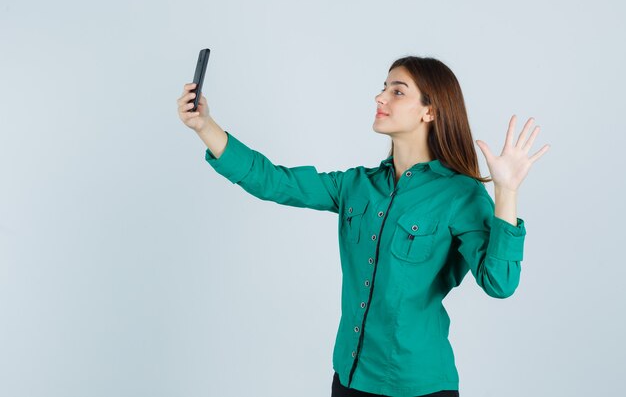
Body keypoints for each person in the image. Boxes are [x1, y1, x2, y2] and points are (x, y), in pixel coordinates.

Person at [176, 55, 550, 397]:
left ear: (430, 112)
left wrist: (506, 192)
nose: (380, 97)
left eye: (397, 91)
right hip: (349, 379)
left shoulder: (460, 195)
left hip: (418, 386)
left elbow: (500, 283)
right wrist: (204, 126)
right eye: (384, 87)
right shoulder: (356, 185)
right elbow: (273, 181)